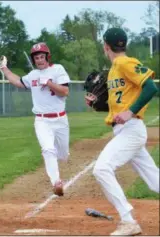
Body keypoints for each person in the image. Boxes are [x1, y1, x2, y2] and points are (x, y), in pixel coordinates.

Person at [85, 28, 159, 236]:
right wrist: (97, 104)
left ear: (105, 46)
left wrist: (130, 112)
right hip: (124, 130)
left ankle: (128, 220)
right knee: (155, 181)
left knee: (101, 169)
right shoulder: (114, 70)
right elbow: (118, 105)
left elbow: (152, 88)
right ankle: (128, 220)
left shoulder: (124, 63)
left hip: (131, 129)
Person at [0, 42, 71, 196]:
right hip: (42, 120)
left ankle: (60, 159)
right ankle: (56, 182)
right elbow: (18, 81)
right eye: (36, 57)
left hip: (60, 119)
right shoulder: (33, 75)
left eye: (42, 56)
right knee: (48, 149)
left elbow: (65, 91)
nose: (39, 60)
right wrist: (4, 68)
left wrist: (49, 83)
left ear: (47, 57)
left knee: (62, 155)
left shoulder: (58, 69)